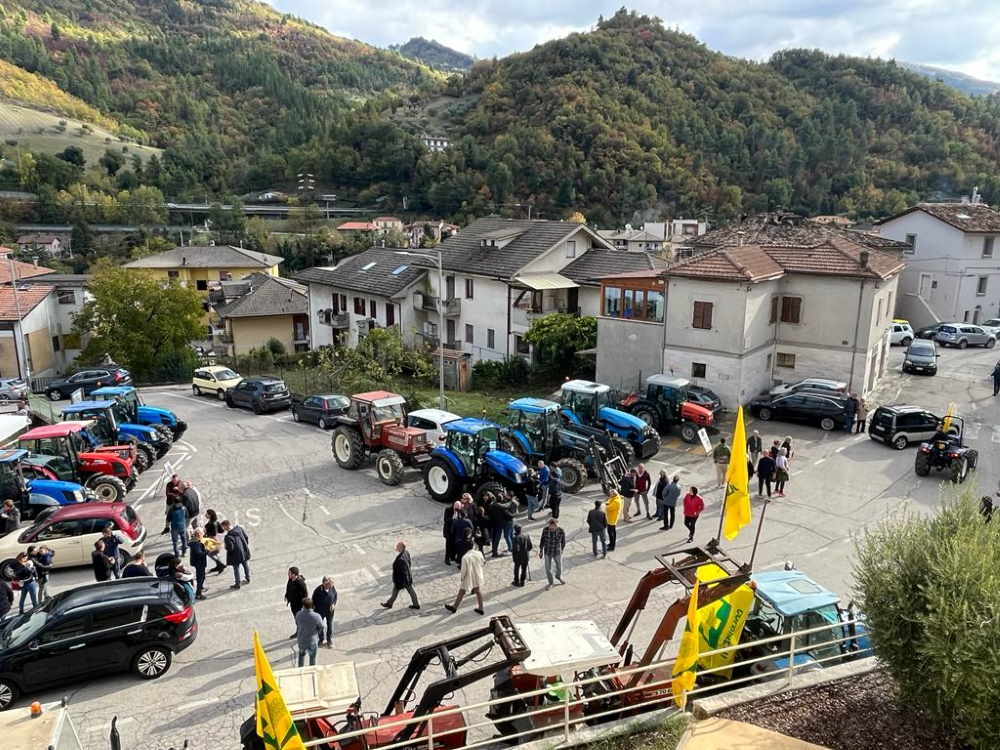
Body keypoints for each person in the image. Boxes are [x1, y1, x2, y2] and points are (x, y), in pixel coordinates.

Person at [445, 531, 486, 615]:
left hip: (468, 577)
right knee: (478, 591)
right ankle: (481, 607)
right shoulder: (479, 553)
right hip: (478, 574)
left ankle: (455, 607)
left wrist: (462, 578)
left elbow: (463, 570)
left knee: (462, 591)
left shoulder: (465, 557)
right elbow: (483, 562)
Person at [381, 541, 420, 610]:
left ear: (401, 548)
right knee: (408, 591)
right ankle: (390, 603)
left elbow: (401, 572)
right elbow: (409, 563)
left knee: (400, 591)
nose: (396, 548)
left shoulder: (400, 559)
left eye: (397, 547)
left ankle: (389, 604)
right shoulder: (406, 552)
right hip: (407, 577)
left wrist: (398, 581)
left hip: (402, 579)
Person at [295, 598, 325, 667]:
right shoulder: (316, 616)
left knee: (301, 656)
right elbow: (321, 627)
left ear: (303, 606)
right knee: (312, 657)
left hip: (301, 640)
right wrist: (317, 632)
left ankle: (300, 668)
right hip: (312, 641)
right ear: (312, 606)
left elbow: (297, 623)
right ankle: (311, 669)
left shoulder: (299, 614)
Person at [222, 519, 251, 589]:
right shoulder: (239, 529)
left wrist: (226, 546)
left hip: (235, 555)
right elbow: (246, 537)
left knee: (236, 569)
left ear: (226, 526)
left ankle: (237, 584)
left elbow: (230, 548)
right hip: (244, 551)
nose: (223, 529)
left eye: (223, 527)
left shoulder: (228, 537)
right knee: (245, 564)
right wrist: (244, 546)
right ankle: (248, 578)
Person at [539, 518, 566, 589]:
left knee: (559, 567)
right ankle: (551, 582)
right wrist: (541, 550)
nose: (551, 529)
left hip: (557, 551)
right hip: (547, 551)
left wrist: (562, 549)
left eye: (553, 527)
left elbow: (563, 542)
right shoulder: (545, 530)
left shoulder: (561, 531)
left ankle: (558, 576)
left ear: (556, 525)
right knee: (548, 568)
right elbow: (542, 540)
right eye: (550, 527)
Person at [312, 577, 338, 648]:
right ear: (324, 583)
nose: (331, 586)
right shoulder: (318, 590)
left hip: (330, 611)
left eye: (332, 584)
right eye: (330, 584)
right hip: (320, 611)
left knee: (330, 626)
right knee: (320, 626)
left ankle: (329, 640)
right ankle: (321, 640)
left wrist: (333, 604)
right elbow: (313, 600)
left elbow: (335, 596)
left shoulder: (332, 588)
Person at [488, 492, 515, 557]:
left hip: (496, 523)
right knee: (507, 535)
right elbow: (507, 506)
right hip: (503, 523)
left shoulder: (492, 505)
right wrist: (511, 501)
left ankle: (494, 551)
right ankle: (510, 549)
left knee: (497, 538)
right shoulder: (500, 506)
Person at [285, 567, 308, 638]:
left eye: (289, 573)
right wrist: (286, 595)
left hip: (299, 605)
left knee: (300, 620)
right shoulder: (290, 579)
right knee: (297, 619)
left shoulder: (300, 583)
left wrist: (303, 604)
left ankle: (303, 632)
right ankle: (299, 631)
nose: (288, 574)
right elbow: (288, 587)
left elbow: (305, 594)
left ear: (294, 574)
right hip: (293, 604)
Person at [203, 510, 227, 574]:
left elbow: (213, 534)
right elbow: (221, 531)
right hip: (216, 540)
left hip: (212, 541)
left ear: (210, 515)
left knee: (209, 553)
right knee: (215, 554)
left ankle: (221, 565)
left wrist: (206, 533)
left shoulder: (211, 523)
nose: (205, 515)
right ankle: (219, 566)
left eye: (207, 514)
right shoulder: (216, 522)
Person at [189, 529, 209, 600]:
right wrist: (206, 551)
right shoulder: (196, 543)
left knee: (201, 576)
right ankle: (198, 594)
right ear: (198, 534)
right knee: (201, 578)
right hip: (199, 563)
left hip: (198, 563)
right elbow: (199, 553)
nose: (203, 535)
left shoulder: (195, 541)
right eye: (202, 534)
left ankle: (201, 587)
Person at [443, 501, 458, 565]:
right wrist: (453, 519)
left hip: (454, 531)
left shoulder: (458, 511)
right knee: (448, 545)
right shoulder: (448, 510)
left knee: (454, 545)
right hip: (448, 531)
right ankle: (447, 559)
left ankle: (452, 556)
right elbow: (446, 520)